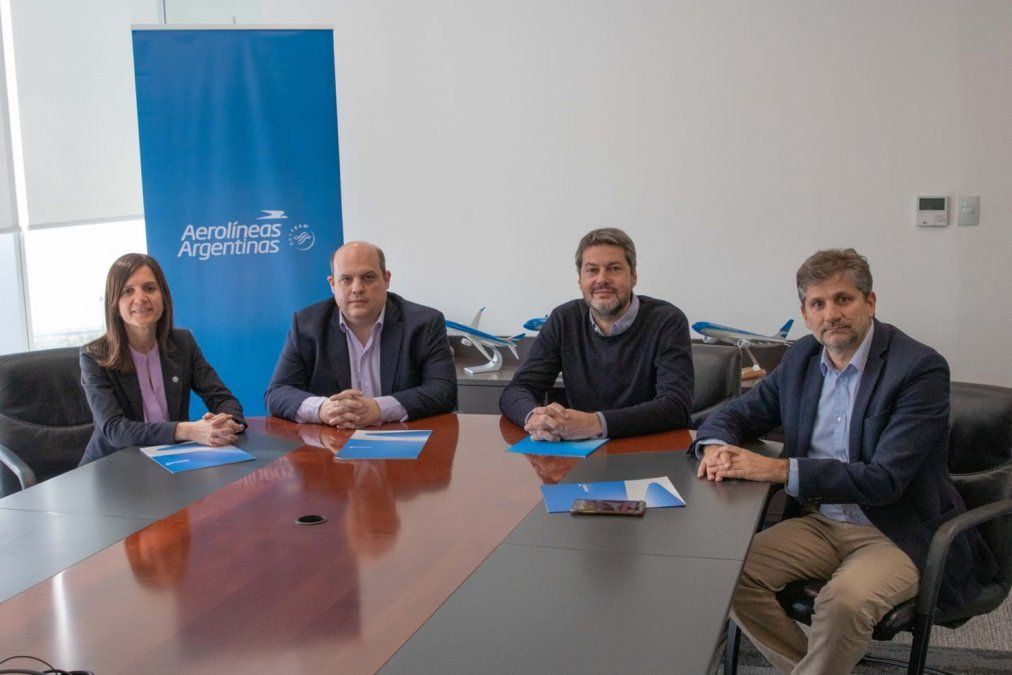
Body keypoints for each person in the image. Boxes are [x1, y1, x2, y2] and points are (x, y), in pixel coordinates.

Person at [695, 248, 996, 675]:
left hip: (896, 530)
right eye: (818, 303)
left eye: (843, 299)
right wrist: (713, 446)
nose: (831, 314)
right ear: (804, 313)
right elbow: (736, 413)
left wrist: (778, 469)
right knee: (723, 574)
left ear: (869, 302)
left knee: (843, 603)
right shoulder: (800, 359)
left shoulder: (918, 369)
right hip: (821, 523)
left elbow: (885, 480)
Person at [499, 227, 693, 440]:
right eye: (592, 270)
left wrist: (595, 423)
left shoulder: (667, 321)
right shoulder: (564, 319)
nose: (602, 280)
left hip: (648, 449)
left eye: (614, 269)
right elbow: (517, 389)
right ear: (580, 280)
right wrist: (534, 417)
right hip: (581, 453)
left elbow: (675, 407)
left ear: (633, 276)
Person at [264, 241, 456, 427]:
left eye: (368, 277)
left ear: (386, 279)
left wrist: (379, 408)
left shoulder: (424, 323)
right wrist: (324, 409)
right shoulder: (308, 325)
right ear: (332, 284)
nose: (357, 289)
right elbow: (277, 393)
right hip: (332, 446)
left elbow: (443, 391)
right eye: (346, 279)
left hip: (403, 441)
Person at [80, 253, 245, 465]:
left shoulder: (183, 343)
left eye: (149, 288)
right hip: (112, 467)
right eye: (127, 291)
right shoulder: (94, 355)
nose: (140, 299)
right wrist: (189, 430)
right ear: (114, 303)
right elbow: (115, 430)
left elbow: (222, 398)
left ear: (163, 296)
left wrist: (227, 423)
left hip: (169, 462)